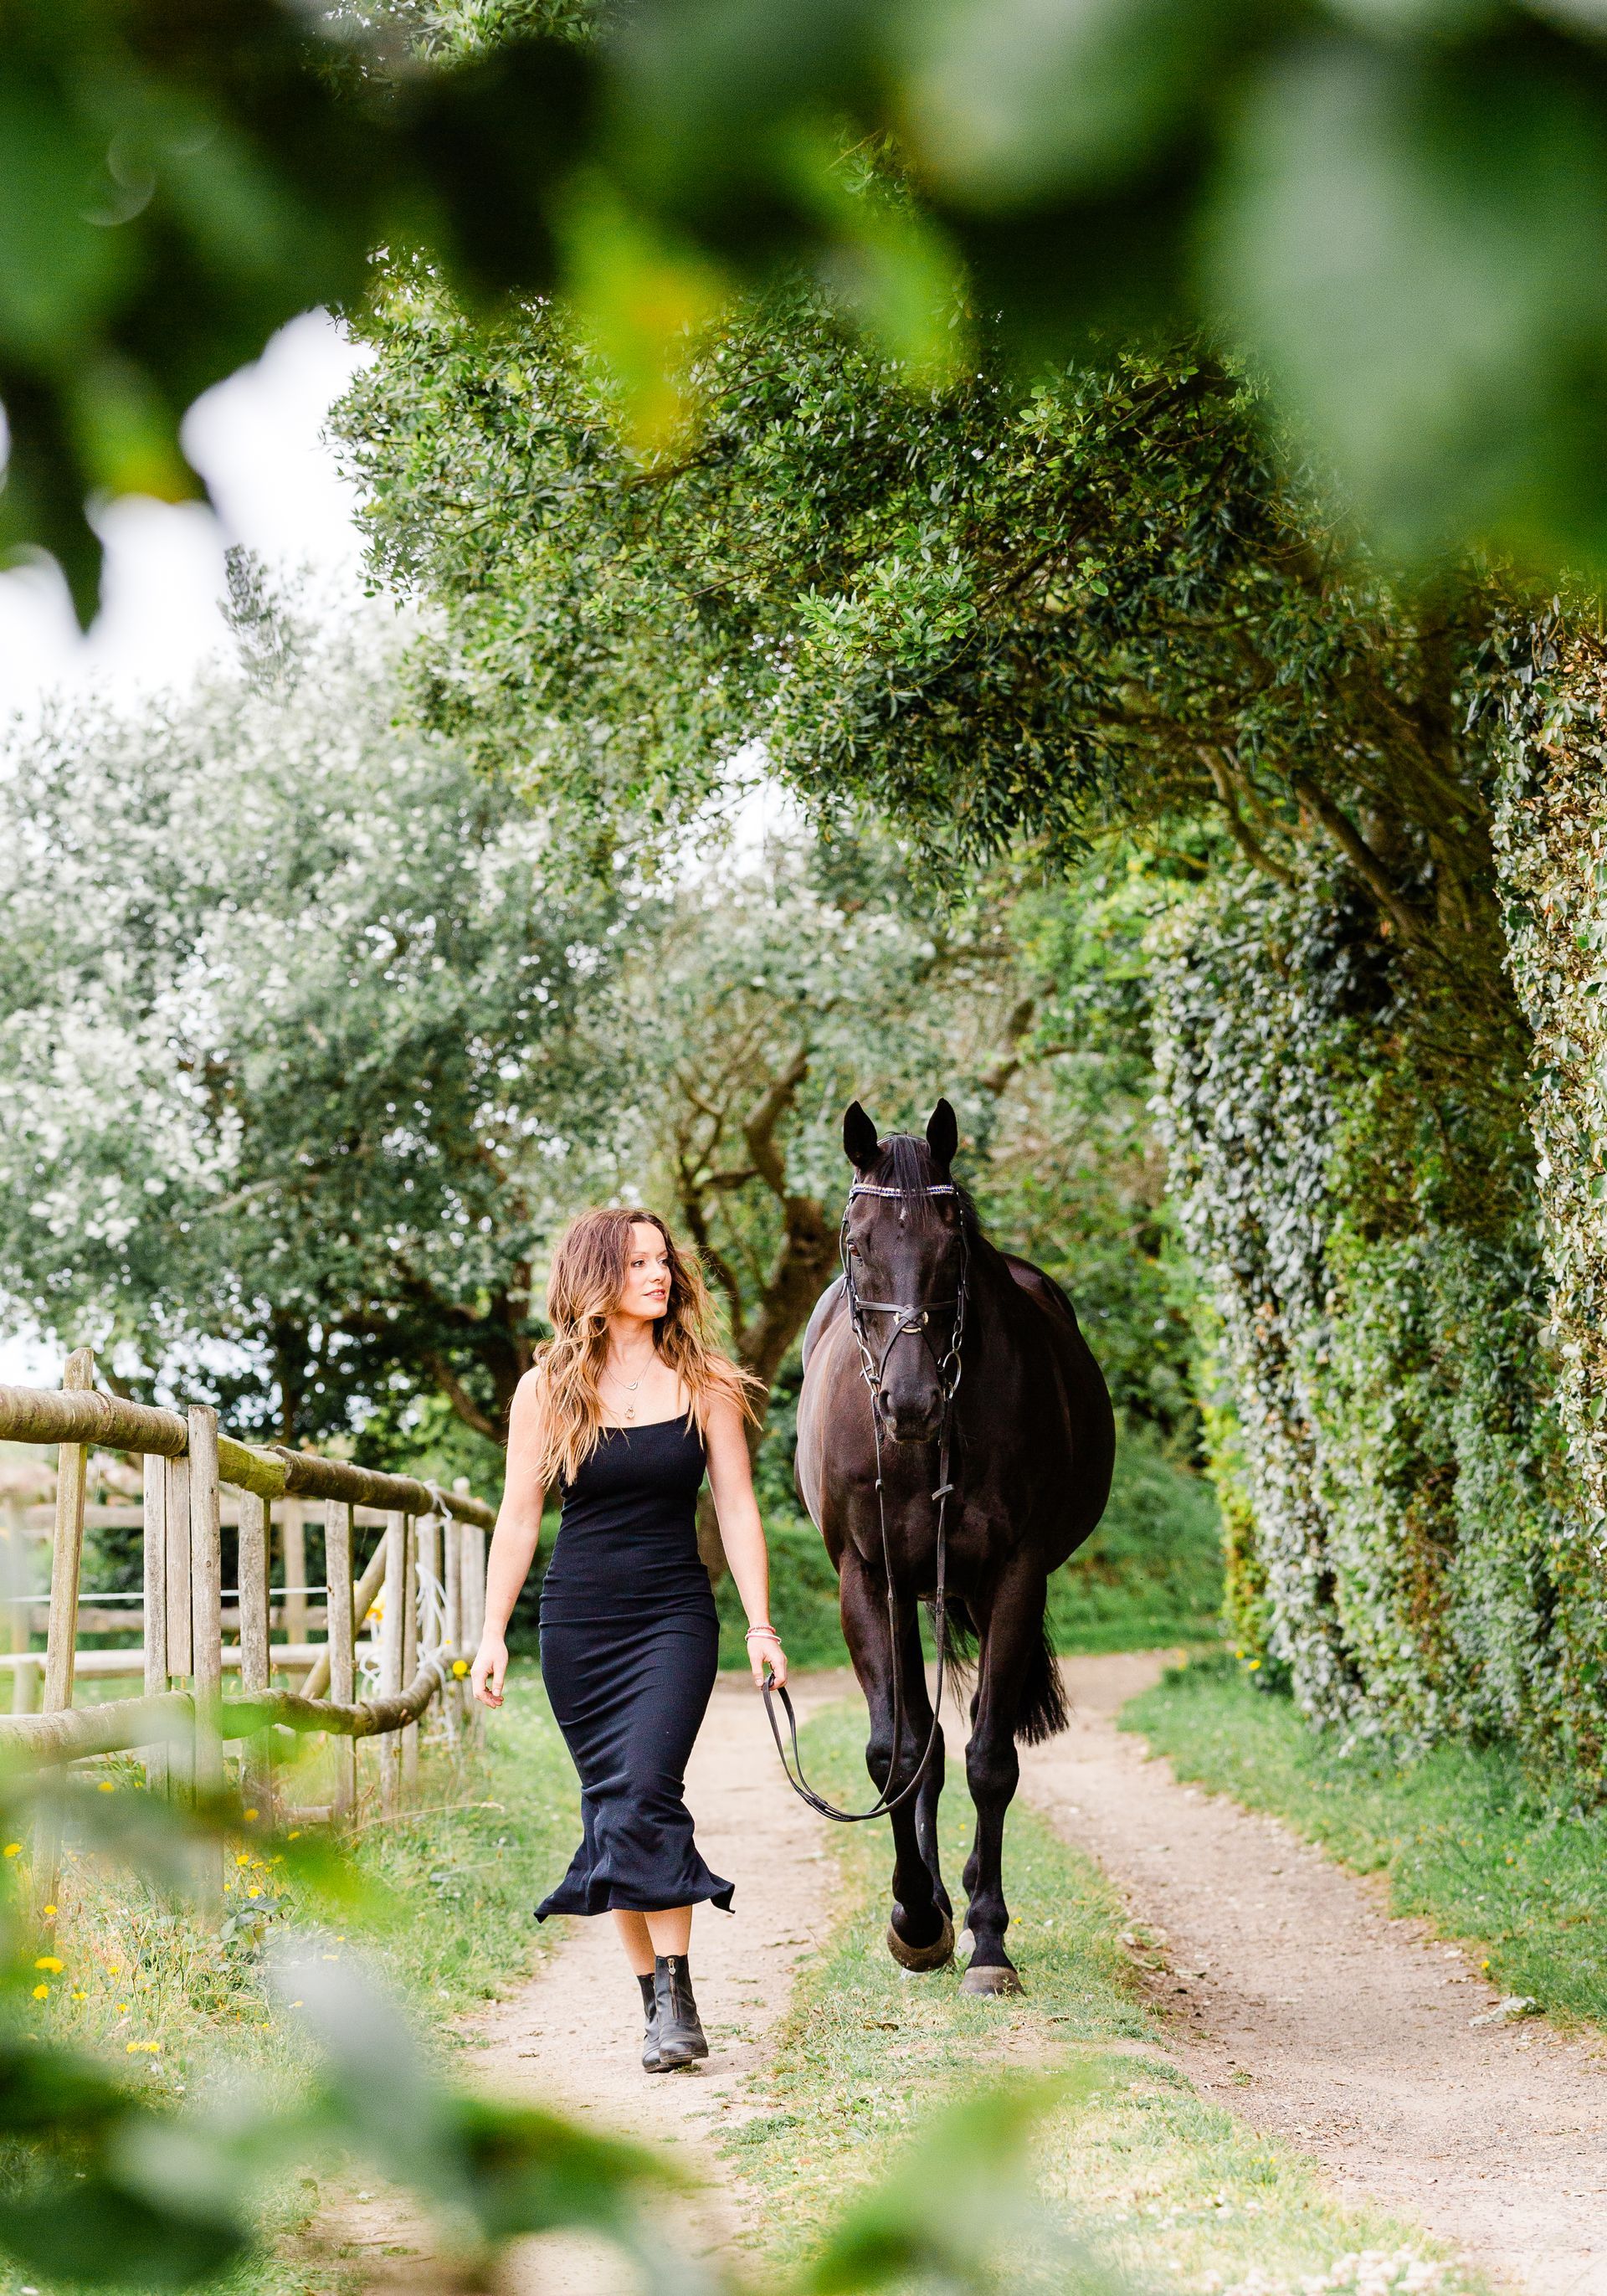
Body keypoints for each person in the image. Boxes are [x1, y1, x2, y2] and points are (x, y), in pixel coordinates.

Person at [470, 1207, 789, 2073]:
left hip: (673, 1617)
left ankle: (678, 1990)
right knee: (613, 1804)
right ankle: (657, 2006)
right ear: (594, 1277)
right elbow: (519, 1515)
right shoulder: (546, 1390)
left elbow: (735, 1505)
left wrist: (760, 1624)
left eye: (663, 1261)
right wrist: (491, 1631)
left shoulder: (708, 1380)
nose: (659, 1274)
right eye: (638, 1262)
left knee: (648, 1787)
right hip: (579, 1623)